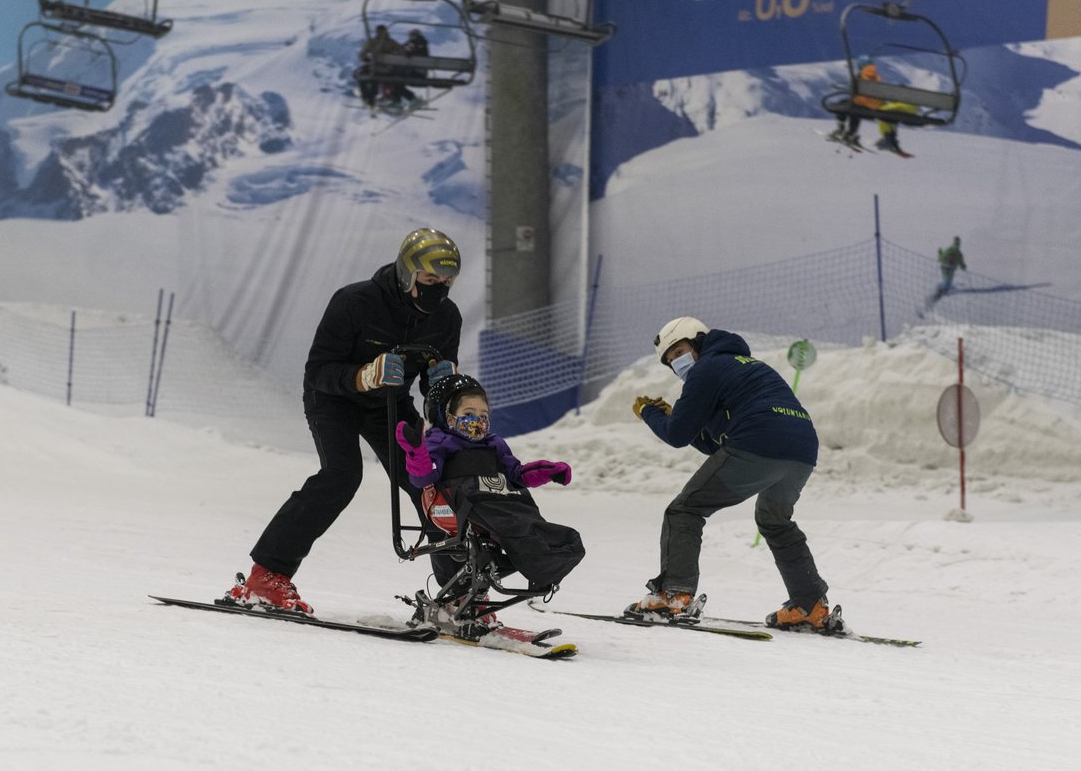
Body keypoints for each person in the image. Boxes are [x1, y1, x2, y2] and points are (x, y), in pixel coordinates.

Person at [226, 228, 464, 614]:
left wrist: (445, 387)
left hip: (389, 404)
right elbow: (318, 371)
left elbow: (433, 391)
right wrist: (363, 376)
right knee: (341, 476)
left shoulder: (447, 317)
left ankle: (460, 592)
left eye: (446, 282)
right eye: (429, 278)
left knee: (432, 484)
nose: (437, 289)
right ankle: (266, 576)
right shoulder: (355, 302)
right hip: (333, 400)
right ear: (407, 272)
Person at [626, 317, 836, 632]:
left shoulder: (707, 369)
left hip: (759, 440)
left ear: (698, 342)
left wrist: (651, 413)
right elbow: (717, 445)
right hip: (801, 449)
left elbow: (677, 435)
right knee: (775, 522)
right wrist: (675, 418)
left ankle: (673, 595)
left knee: (685, 510)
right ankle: (810, 606)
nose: (677, 362)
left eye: (679, 351)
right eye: (670, 361)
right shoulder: (746, 366)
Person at [395, 373, 584, 631]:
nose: (478, 420)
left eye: (483, 414)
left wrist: (548, 471)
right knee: (511, 530)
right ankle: (463, 603)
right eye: (469, 413)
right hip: (450, 505)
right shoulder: (440, 441)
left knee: (543, 536)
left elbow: (516, 474)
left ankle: (485, 593)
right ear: (448, 417)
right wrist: (416, 450)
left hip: (493, 503)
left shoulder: (494, 444)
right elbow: (424, 477)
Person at [829, 55, 907, 155]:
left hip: (863, 103)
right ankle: (850, 134)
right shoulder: (876, 76)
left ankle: (841, 130)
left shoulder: (862, 74)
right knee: (854, 109)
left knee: (843, 105)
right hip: (874, 106)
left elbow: (857, 91)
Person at [355, 24, 407, 108]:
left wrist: (367, 60)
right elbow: (402, 51)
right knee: (377, 78)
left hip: (374, 68)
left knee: (362, 75)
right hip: (387, 70)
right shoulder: (391, 42)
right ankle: (382, 98)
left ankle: (367, 97)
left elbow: (362, 55)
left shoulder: (372, 42)